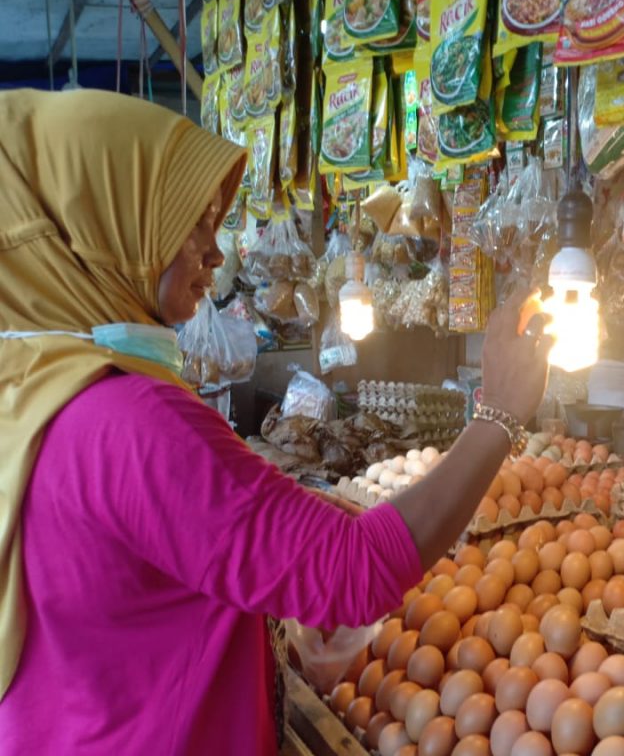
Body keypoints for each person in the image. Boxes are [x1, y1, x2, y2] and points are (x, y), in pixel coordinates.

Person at [0, 89, 552, 754]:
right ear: (101, 228)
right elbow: (356, 572)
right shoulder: (130, 420)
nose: (213, 253)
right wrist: (499, 414)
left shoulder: (36, 386)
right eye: (186, 222)